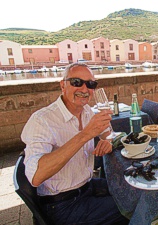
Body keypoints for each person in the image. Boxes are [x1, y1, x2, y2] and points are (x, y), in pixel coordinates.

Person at [21, 63, 129, 225]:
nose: (85, 89)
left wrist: (107, 140)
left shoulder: (86, 111)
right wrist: (85, 134)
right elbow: (36, 176)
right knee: (130, 206)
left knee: (133, 187)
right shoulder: (42, 120)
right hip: (63, 204)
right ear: (62, 85)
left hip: (86, 186)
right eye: (77, 82)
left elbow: (108, 132)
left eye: (90, 84)